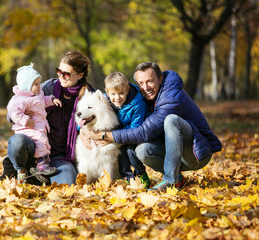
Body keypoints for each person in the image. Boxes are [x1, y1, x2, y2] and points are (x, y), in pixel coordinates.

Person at [86, 62, 222, 192]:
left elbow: (144, 132)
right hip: (175, 152)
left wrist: (106, 136)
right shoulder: (143, 96)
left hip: (195, 153)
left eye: (150, 81)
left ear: (160, 79)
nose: (145, 87)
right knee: (142, 150)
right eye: (140, 83)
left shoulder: (171, 97)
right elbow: (102, 100)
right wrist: (83, 129)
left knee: (171, 120)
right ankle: (178, 178)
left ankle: (171, 180)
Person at [0, 50, 94, 185]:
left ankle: (36, 175)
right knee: (17, 141)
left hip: (61, 156)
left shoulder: (90, 96)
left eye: (66, 74)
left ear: (80, 75)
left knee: (67, 186)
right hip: (35, 146)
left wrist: (85, 129)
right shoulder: (49, 86)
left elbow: (101, 119)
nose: (61, 76)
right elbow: (13, 111)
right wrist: (25, 116)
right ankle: (21, 166)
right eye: (59, 71)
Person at [4, 64, 62, 183]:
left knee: (43, 142)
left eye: (39, 83)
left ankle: (38, 166)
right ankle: (41, 165)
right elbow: (13, 112)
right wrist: (25, 120)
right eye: (35, 84)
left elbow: (42, 101)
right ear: (26, 85)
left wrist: (51, 100)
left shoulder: (38, 94)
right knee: (40, 142)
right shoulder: (20, 99)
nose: (39, 87)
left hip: (38, 127)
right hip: (27, 128)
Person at [103, 72, 150, 188]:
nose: (117, 97)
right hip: (119, 134)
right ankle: (127, 177)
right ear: (107, 92)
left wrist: (114, 135)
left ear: (127, 90)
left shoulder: (138, 104)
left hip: (136, 135)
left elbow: (135, 128)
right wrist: (82, 128)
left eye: (121, 93)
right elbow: (92, 110)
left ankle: (141, 173)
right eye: (113, 94)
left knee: (130, 151)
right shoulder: (105, 99)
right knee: (120, 153)